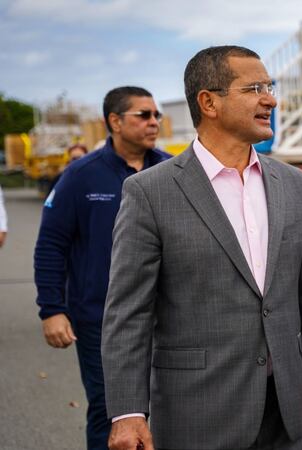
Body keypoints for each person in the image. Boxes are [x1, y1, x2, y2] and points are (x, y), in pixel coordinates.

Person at [101, 45, 302, 450]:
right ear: (208, 102)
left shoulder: (293, 183)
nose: (271, 98)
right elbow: (128, 312)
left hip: (286, 409)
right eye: (253, 88)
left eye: (268, 86)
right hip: (197, 410)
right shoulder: (150, 191)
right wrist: (128, 412)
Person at [33, 86, 169, 450]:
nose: (154, 122)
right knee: (113, 413)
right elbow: (51, 245)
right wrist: (52, 310)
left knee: (168, 411)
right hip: (100, 320)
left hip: (166, 319)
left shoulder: (172, 171)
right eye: (144, 115)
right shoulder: (80, 177)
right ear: (115, 121)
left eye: (156, 115)